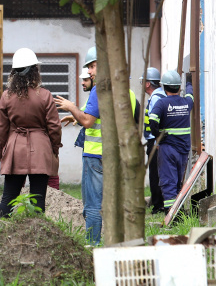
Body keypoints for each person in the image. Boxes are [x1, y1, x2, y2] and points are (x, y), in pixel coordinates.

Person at [54, 47, 139, 245]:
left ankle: (92, 244)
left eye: (92, 66)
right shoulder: (129, 93)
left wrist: (71, 108)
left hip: (95, 157)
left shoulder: (98, 89)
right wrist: (77, 114)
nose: (90, 72)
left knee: (93, 204)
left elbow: (88, 121)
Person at [0, 48, 62, 218]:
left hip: (15, 149)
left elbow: (1, 127)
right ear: (34, 71)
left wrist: (0, 150)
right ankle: (37, 234)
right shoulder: (45, 95)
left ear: (14, 73)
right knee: (38, 198)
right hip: (41, 149)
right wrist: (55, 148)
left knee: (9, 196)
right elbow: (54, 126)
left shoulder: (6, 97)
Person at [149, 70, 194, 213]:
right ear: (178, 87)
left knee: (168, 180)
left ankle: (171, 212)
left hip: (167, 148)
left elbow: (153, 121)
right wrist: (189, 81)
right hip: (183, 149)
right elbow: (190, 95)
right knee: (178, 181)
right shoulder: (186, 103)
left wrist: (158, 135)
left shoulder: (162, 103)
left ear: (164, 87)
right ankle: (178, 209)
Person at [141, 67, 165, 214]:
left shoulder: (155, 98)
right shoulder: (160, 95)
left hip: (155, 141)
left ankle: (157, 205)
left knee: (155, 175)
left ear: (148, 84)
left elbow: (155, 122)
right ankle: (158, 202)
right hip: (158, 140)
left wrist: (156, 141)